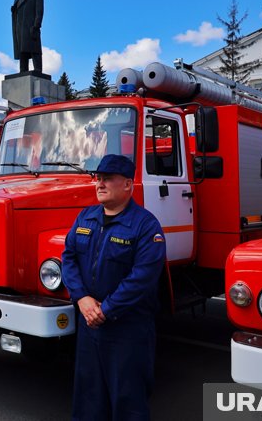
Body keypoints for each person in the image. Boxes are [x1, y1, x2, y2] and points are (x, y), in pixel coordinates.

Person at [61, 154, 166, 421]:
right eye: (98, 178)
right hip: (89, 325)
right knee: (88, 398)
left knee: (127, 400)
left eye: (108, 178)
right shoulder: (86, 217)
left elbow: (142, 277)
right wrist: (82, 298)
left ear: (128, 184)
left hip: (127, 329)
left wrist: (105, 310)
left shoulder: (145, 225)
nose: (100, 184)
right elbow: (69, 257)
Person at [11, 0, 44, 73]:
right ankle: (23, 69)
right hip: (20, 29)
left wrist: (37, 25)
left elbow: (39, 11)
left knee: (34, 49)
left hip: (31, 27)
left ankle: (38, 69)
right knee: (22, 50)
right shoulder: (18, 0)